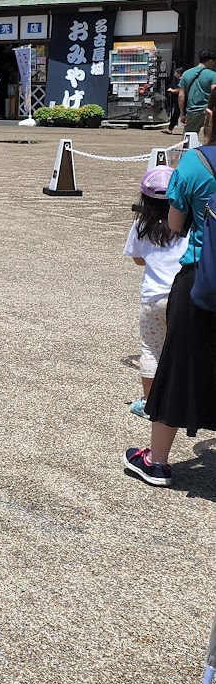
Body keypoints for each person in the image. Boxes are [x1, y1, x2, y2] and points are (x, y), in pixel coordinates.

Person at [125, 114, 216, 485]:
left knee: (177, 366)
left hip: (202, 279)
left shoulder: (196, 161)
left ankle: (157, 461)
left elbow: (176, 226)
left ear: (209, 114)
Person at [123, 166, 187, 421]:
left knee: (151, 350)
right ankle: (183, 401)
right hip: (182, 296)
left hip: (153, 298)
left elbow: (138, 260)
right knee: (183, 349)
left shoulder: (141, 224)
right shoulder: (187, 223)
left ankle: (150, 403)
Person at [177, 49, 216, 147]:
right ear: (210, 60)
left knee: (187, 141)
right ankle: (208, 159)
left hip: (192, 111)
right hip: (208, 112)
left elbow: (181, 95)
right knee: (209, 139)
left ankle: (185, 158)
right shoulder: (213, 75)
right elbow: (214, 91)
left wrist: (182, 113)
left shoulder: (186, 74)